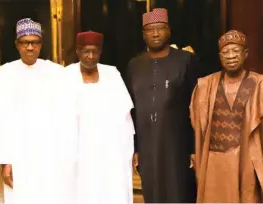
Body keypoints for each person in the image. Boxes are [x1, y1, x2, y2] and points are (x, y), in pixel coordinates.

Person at [0, 18, 78, 204]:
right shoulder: (2, 76)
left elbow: (68, 119)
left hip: (52, 155)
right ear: (17, 44)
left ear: (41, 44)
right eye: (25, 42)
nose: (30, 47)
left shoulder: (58, 74)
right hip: (19, 157)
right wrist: (5, 159)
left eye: (35, 42)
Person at [126, 8, 198, 202]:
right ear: (143, 34)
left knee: (179, 191)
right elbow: (131, 109)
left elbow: (196, 105)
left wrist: (194, 147)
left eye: (160, 28)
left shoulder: (185, 60)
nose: (155, 33)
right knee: (153, 191)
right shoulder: (134, 65)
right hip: (147, 143)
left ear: (169, 31)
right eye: (150, 30)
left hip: (178, 144)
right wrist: (135, 148)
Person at [190, 30, 263, 203]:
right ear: (219, 56)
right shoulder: (206, 85)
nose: (230, 56)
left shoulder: (259, 83)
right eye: (225, 52)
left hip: (245, 157)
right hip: (214, 161)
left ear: (245, 54)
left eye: (236, 51)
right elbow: (195, 123)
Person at [66, 31, 135, 203]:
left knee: (111, 191)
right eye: (85, 51)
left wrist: (126, 150)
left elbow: (124, 116)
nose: (90, 56)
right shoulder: (66, 76)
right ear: (77, 51)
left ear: (101, 51)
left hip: (110, 151)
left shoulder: (112, 74)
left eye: (95, 51)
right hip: (78, 151)